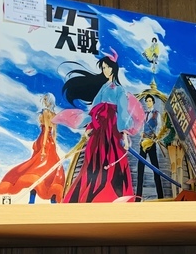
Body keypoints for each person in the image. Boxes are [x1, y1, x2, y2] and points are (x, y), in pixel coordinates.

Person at [58, 50, 142, 203]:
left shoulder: (119, 89)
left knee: (112, 157)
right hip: (99, 127)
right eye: (103, 68)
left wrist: (124, 134)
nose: (105, 70)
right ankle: (89, 193)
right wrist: (89, 127)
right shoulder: (104, 87)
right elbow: (94, 108)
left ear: (113, 68)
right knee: (93, 158)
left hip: (112, 128)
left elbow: (122, 112)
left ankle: (111, 193)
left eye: (107, 67)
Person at [0, 93, 65, 203]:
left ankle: (32, 200)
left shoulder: (46, 112)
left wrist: (43, 148)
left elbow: (46, 129)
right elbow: (54, 133)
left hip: (44, 141)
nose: (44, 101)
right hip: (50, 143)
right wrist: (52, 144)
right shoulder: (53, 114)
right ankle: (48, 199)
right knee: (48, 169)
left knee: (35, 169)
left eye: (45, 99)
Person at [135, 94, 164, 199]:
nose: (148, 103)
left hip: (151, 142)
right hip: (143, 142)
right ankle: (138, 196)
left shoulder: (157, 114)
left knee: (155, 168)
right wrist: (141, 133)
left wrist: (156, 137)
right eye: (147, 101)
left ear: (153, 102)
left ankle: (160, 195)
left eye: (150, 101)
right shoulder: (144, 114)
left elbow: (160, 127)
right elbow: (141, 126)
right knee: (140, 169)